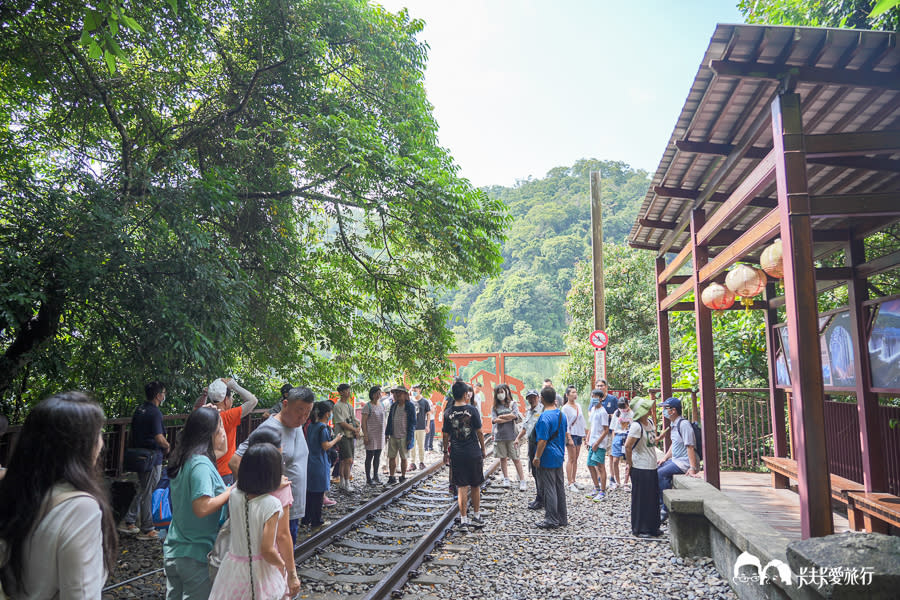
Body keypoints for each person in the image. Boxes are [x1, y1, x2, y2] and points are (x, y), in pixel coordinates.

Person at [0, 392, 117, 599]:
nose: (102, 443)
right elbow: (81, 594)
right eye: (98, 434)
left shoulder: (14, 489)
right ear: (80, 446)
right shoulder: (80, 508)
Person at [163, 406, 232, 600]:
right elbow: (202, 507)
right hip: (195, 553)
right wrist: (229, 492)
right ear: (210, 433)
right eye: (219, 428)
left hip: (175, 548)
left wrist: (212, 416)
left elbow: (223, 449)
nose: (222, 432)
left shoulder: (184, 456)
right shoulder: (201, 465)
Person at [231, 387, 313, 544]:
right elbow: (235, 462)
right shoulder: (269, 429)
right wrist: (257, 495)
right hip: (275, 511)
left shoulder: (295, 424)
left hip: (291, 508)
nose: (303, 418)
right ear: (285, 404)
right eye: (299, 411)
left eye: (307, 413)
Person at [209, 443, 287, 600]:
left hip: (232, 567)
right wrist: (282, 565)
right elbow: (267, 550)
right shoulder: (272, 504)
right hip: (259, 572)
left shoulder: (235, 495)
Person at [240, 428, 300, 597]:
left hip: (239, 560)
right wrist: (290, 572)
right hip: (269, 563)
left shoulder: (238, 489)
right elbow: (282, 535)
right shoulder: (280, 491)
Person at [121, 380, 171, 540]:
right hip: (151, 457)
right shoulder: (155, 412)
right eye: (163, 392)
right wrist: (168, 446)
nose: (164, 395)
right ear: (158, 396)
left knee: (144, 489)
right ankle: (147, 528)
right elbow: (159, 437)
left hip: (140, 455)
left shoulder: (140, 409)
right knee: (149, 491)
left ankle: (129, 520)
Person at [443, 380, 486, 531]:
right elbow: (479, 431)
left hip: (457, 452)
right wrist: (483, 449)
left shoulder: (448, 412)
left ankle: (463, 520)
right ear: (464, 394)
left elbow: (446, 434)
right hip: (473, 452)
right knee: (475, 485)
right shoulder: (472, 410)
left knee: (461, 486)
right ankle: (476, 515)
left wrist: (444, 453)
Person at [208, 377, 259, 485]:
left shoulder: (204, 413)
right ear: (226, 400)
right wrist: (234, 385)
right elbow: (253, 401)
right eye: (231, 398)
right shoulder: (228, 416)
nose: (233, 400)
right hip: (224, 471)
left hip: (207, 467)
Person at [624, 397, 663, 538]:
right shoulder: (636, 426)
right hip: (640, 466)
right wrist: (630, 463)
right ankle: (641, 528)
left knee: (652, 497)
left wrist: (660, 437)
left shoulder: (650, 422)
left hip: (651, 465)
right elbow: (627, 446)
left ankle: (653, 527)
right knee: (642, 499)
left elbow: (652, 441)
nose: (649, 411)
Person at [657, 397, 700, 522]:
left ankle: (665, 508)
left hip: (684, 462)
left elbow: (690, 446)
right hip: (676, 459)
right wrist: (665, 458)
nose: (664, 411)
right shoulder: (674, 424)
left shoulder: (684, 424)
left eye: (666, 408)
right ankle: (660, 503)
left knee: (661, 474)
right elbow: (674, 444)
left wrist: (692, 468)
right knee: (657, 469)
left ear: (673, 410)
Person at [532, 386, 567, 529]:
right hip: (559, 454)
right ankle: (562, 518)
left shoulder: (544, 418)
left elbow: (542, 441)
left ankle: (551, 519)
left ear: (542, 399)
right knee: (559, 486)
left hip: (547, 456)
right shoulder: (561, 415)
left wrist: (536, 457)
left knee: (549, 488)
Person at [304, 401, 343, 529]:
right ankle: (317, 520)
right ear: (327, 414)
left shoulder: (310, 426)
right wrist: (336, 439)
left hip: (310, 461)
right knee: (319, 493)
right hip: (320, 462)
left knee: (310, 492)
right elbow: (325, 446)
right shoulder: (323, 428)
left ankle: (306, 519)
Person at [490, 383, 525, 490]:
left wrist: (501, 416)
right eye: (498, 392)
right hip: (499, 436)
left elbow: (515, 415)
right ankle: (506, 478)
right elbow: (494, 420)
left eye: (502, 392)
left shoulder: (512, 404)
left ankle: (522, 480)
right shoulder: (495, 407)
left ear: (507, 392)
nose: (500, 394)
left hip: (512, 436)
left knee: (516, 458)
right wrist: (508, 417)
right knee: (503, 458)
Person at [514, 389, 542, 508]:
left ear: (538, 397)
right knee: (534, 472)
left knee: (541, 471)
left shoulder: (543, 410)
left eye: (534, 397)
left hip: (540, 443)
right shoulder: (529, 412)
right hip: (531, 443)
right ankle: (539, 497)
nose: (532, 399)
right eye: (529, 398)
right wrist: (517, 438)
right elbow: (525, 427)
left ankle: (543, 498)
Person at [384, 385, 416, 484]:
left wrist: (410, 437)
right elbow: (390, 420)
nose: (397, 395)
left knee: (404, 457)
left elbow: (412, 423)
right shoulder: (394, 405)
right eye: (396, 393)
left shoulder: (410, 406)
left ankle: (403, 475)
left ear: (405, 395)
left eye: (399, 393)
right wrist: (387, 433)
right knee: (391, 456)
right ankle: (391, 476)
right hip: (393, 435)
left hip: (404, 435)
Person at [332, 383, 361, 491]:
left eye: (349, 390)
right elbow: (341, 423)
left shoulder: (349, 406)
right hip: (342, 435)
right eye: (346, 391)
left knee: (345, 460)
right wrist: (354, 429)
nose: (348, 393)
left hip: (350, 435)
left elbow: (354, 420)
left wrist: (358, 428)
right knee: (348, 459)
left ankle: (343, 482)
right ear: (341, 393)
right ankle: (346, 482)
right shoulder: (337, 406)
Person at [561, 385, 587, 491]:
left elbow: (582, 421)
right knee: (571, 458)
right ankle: (570, 482)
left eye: (575, 392)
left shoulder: (578, 406)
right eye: (572, 392)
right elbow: (565, 424)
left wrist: (585, 434)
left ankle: (574, 480)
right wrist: (569, 437)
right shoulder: (565, 408)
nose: (575, 394)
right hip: (570, 434)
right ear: (567, 395)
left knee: (576, 458)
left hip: (578, 433)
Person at [586, 396, 611, 502]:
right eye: (592, 397)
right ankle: (596, 487)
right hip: (592, 442)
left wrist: (597, 442)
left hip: (600, 444)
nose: (593, 399)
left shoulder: (603, 412)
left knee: (600, 467)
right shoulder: (593, 409)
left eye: (596, 397)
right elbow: (592, 426)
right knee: (590, 464)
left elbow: (606, 430)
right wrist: (588, 438)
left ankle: (602, 491)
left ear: (601, 399)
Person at [361, 385, 386, 485]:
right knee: (369, 456)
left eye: (379, 393)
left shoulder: (382, 405)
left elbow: (384, 420)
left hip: (380, 434)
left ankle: (375, 475)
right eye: (376, 393)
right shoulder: (368, 406)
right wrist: (365, 435)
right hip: (371, 434)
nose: (378, 395)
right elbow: (363, 422)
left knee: (378, 456)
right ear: (372, 394)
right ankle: (368, 478)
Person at [597, 380, 620, 487]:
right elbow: (590, 412)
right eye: (598, 385)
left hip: (610, 432)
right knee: (598, 455)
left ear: (606, 387)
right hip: (599, 432)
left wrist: (611, 416)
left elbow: (619, 413)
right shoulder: (595, 399)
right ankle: (599, 476)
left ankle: (612, 477)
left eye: (602, 385)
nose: (600, 387)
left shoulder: (613, 399)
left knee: (611, 455)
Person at [609, 398, 633, 490]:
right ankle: (617, 481)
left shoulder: (632, 413)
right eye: (621, 407)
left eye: (624, 407)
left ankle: (626, 482)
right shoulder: (617, 413)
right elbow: (613, 429)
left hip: (628, 436)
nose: (623, 409)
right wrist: (613, 440)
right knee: (615, 460)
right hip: (618, 436)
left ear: (628, 404)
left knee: (628, 460)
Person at [412, 385, 431, 470]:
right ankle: (412, 463)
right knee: (412, 446)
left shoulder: (424, 402)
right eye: (412, 390)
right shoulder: (410, 401)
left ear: (419, 390)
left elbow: (428, 414)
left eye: (415, 390)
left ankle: (421, 462)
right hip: (412, 427)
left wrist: (427, 425)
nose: (414, 392)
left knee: (421, 446)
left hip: (421, 427)